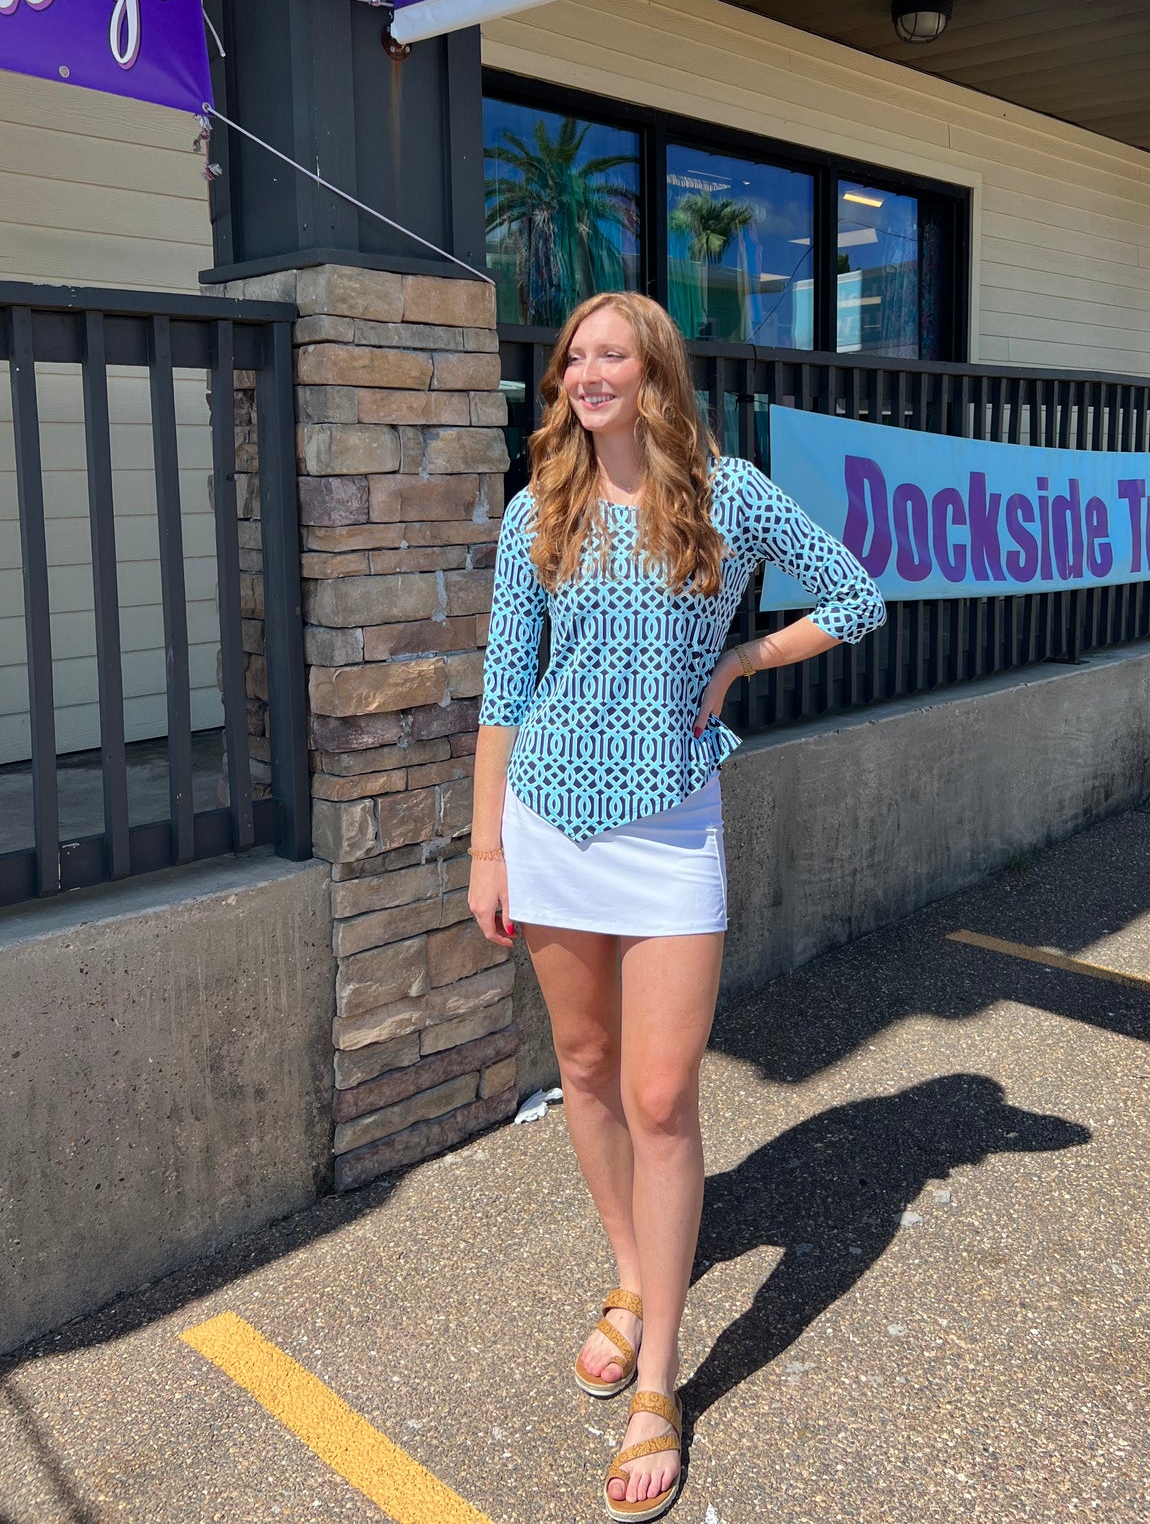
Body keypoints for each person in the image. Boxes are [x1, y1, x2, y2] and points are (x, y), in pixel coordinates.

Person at [468, 291, 886, 1520]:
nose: (587, 373)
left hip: (667, 836)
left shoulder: (727, 492)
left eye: (612, 354)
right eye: (572, 359)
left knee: (661, 1095)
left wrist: (745, 658)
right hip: (546, 821)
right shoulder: (532, 511)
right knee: (585, 1070)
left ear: (655, 372)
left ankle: (660, 1383)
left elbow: (857, 596)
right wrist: (486, 845)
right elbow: (503, 686)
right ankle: (631, 1277)